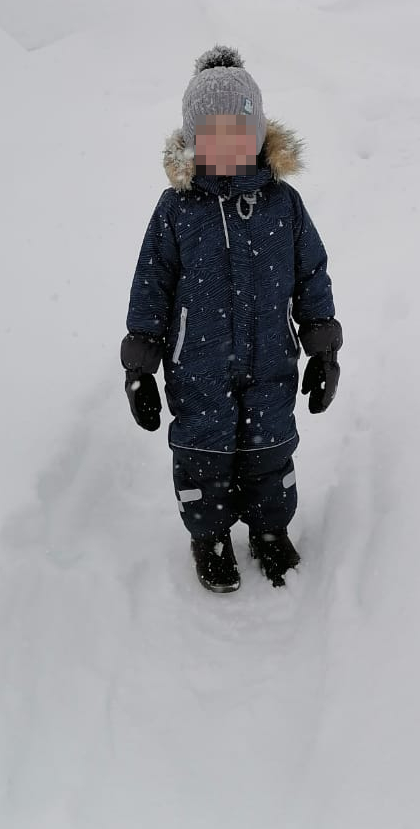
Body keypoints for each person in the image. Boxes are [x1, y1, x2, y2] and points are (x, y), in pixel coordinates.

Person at [120, 46, 342, 593]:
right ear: (195, 139)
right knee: (202, 456)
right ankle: (210, 537)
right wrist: (140, 363)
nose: (227, 144)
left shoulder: (282, 204)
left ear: (259, 133)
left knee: (271, 450)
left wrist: (323, 347)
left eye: (239, 130)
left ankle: (270, 530)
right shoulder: (177, 208)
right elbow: (152, 282)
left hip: (271, 360)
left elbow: (311, 273)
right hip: (197, 366)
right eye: (212, 133)